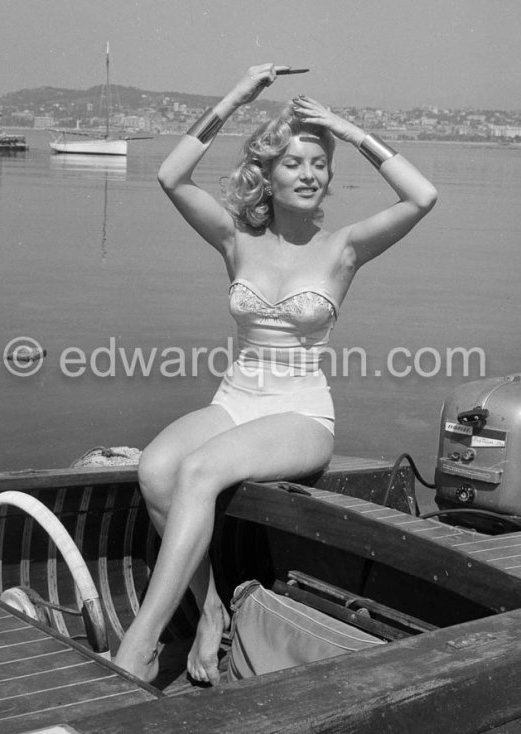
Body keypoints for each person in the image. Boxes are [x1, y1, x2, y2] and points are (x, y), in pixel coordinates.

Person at [114, 63, 437, 685]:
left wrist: (345, 128)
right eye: (293, 163)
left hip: (299, 414)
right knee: (156, 469)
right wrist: (237, 96)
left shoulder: (344, 247)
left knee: (200, 470)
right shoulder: (235, 239)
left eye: (319, 164)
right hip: (235, 401)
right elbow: (169, 175)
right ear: (266, 172)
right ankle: (209, 615)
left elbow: (422, 196)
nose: (309, 174)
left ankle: (139, 648)